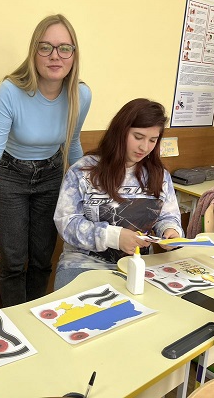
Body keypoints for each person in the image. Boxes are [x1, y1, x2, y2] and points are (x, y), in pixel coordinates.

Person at [0, 14, 92, 307]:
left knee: (43, 259)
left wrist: (92, 190)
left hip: (51, 175)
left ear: (74, 54)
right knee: (13, 262)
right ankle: (15, 323)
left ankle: (36, 319)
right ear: (34, 52)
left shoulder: (81, 95)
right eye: (46, 47)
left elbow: (72, 144)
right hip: (9, 175)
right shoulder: (10, 91)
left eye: (64, 48)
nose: (55, 56)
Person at [53, 98, 183, 289]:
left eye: (152, 140)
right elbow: (67, 223)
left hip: (137, 265)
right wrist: (113, 237)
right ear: (120, 131)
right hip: (84, 264)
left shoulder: (159, 175)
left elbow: (168, 216)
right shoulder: (82, 171)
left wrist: (170, 231)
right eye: (138, 137)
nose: (144, 147)